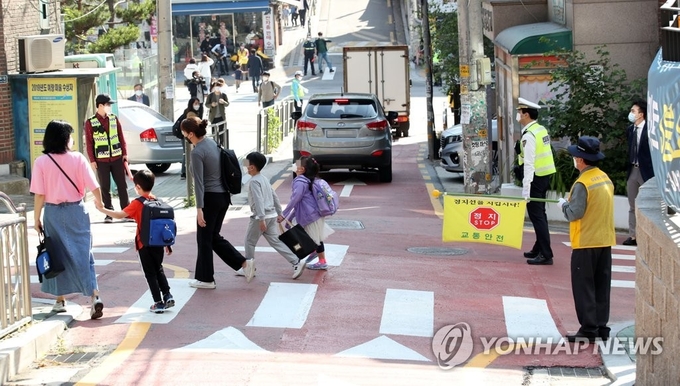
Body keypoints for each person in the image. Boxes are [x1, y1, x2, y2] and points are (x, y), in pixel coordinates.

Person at [30, 120, 105, 319]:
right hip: (77, 211)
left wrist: (36, 218)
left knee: (56, 254)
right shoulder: (78, 159)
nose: (73, 140)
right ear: (64, 139)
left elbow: (39, 195)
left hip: (53, 213)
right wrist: (100, 204)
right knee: (84, 253)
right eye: (71, 136)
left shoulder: (41, 162)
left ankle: (60, 300)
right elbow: (94, 187)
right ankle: (95, 296)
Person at [180, 117, 255, 287]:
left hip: (210, 199)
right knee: (212, 237)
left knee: (204, 240)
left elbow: (198, 183)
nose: (184, 135)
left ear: (191, 133)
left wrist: (199, 208)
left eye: (184, 133)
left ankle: (206, 279)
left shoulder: (197, 152)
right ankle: (244, 263)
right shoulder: (212, 143)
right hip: (223, 197)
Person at [557, 136, 615, 342]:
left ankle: (588, 329)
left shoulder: (582, 183)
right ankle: (601, 327)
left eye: (575, 156)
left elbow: (575, 213)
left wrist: (563, 204)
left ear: (581, 160)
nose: (574, 159)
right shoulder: (604, 178)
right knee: (601, 286)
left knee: (584, 287)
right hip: (604, 240)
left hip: (586, 242)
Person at [97, 170, 176, 313]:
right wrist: (167, 244)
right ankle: (167, 295)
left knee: (150, 274)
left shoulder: (138, 203)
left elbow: (120, 215)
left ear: (138, 187)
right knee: (159, 269)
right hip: (159, 244)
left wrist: (102, 209)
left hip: (144, 244)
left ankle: (158, 303)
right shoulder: (157, 201)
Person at [243, 152, 308, 279]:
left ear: (252, 167)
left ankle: (249, 268)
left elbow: (258, 200)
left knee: (249, 242)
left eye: (246, 163)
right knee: (276, 242)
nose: (245, 166)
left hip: (260, 218)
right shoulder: (264, 179)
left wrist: (261, 218)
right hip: (272, 215)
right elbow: (274, 196)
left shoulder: (254, 182)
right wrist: (279, 212)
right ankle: (296, 262)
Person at [516, 97, 556, 265]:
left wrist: (526, 188)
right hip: (544, 176)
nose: (518, 115)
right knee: (541, 215)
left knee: (537, 216)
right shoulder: (540, 129)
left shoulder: (530, 135)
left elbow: (529, 163)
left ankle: (546, 254)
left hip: (535, 178)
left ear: (526, 115)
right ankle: (539, 247)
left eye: (519, 112)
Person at [84, 94, 130, 223]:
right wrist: (92, 160)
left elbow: (121, 137)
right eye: (108, 105)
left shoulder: (114, 119)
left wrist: (125, 153)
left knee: (122, 185)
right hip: (101, 160)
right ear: (100, 106)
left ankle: (126, 211)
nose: (109, 107)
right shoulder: (91, 122)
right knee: (105, 187)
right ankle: (108, 212)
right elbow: (89, 143)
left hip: (117, 157)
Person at [280, 156, 331, 270]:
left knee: (316, 239)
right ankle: (315, 253)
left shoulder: (300, 182)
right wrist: (289, 216)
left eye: (296, 163)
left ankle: (322, 261)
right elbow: (298, 203)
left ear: (301, 169)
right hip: (313, 214)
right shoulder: (307, 180)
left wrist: (284, 215)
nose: (294, 165)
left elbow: (295, 200)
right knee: (314, 237)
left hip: (310, 216)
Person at [623, 100, 653, 246]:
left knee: (649, 204)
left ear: (641, 114)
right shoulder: (630, 129)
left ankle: (649, 236)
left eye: (633, 111)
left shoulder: (651, 129)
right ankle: (633, 235)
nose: (631, 113)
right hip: (632, 169)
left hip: (646, 171)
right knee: (632, 204)